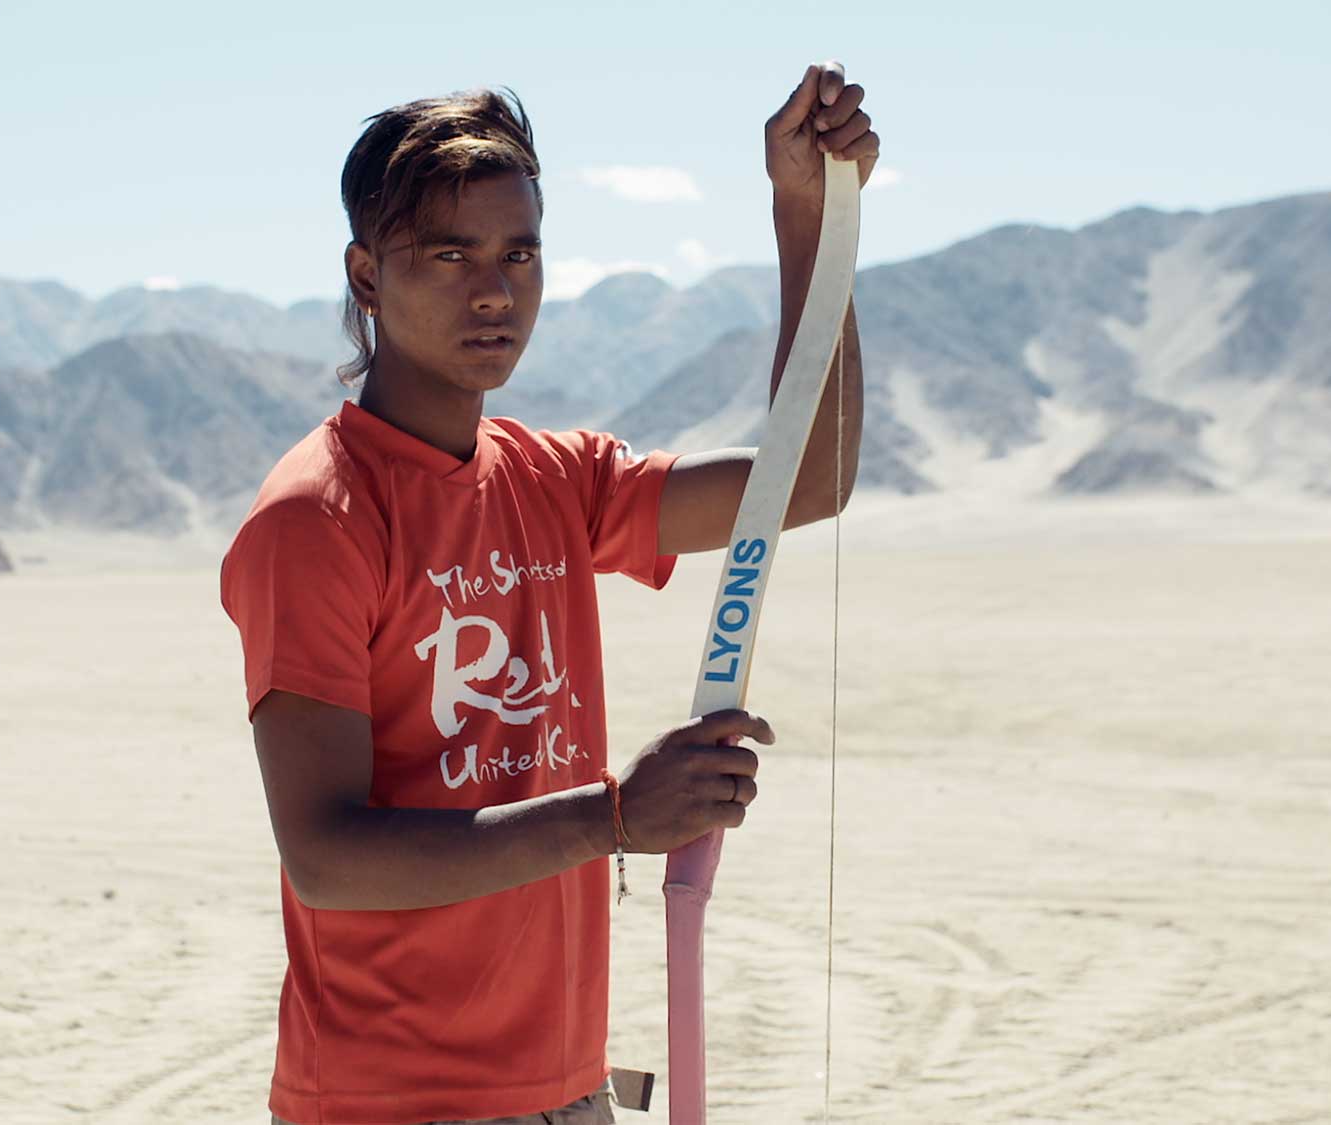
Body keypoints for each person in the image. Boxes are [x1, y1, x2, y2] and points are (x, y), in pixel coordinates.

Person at [220, 60, 877, 1125]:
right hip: (393, 1103)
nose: (493, 289)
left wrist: (806, 212)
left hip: (566, 1092)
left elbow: (809, 476)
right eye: (448, 254)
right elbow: (328, 857)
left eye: (518, 252)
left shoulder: (552, 479)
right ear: (362, 275)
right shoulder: (317, 520)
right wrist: (614, 815)